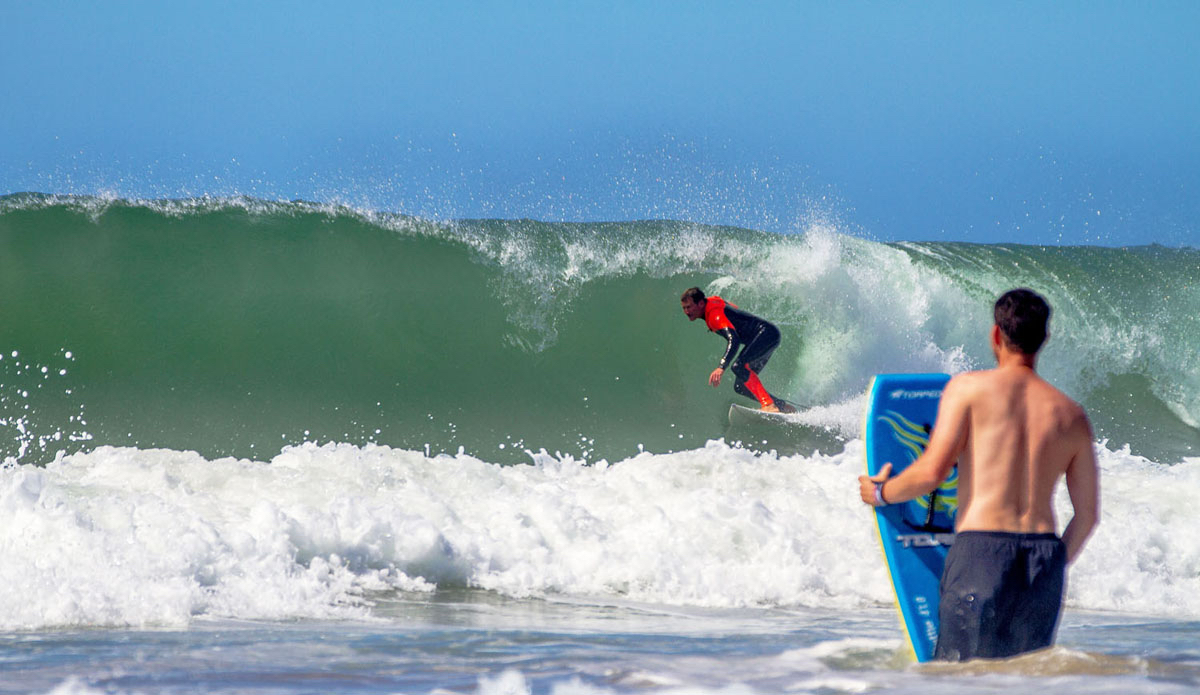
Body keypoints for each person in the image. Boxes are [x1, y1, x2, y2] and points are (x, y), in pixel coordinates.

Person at [858, 288, 1100, 661]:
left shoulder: (969, 390)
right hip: (1044, 557)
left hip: (981, 552)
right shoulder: (1071, 415)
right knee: (1025, 681)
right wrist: (1049, 568)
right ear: (1044, 338)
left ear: (995, 335)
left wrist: (881, 493)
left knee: (959, 677)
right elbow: (1087, 517)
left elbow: (932, 473)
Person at [680, 287, 789, 413]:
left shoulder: (714, 316)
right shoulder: (712, 302)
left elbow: (734, 340)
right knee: (741, 386)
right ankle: (782, 406)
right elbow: (730, 305)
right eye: (684, 308)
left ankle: (768, 404)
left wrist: (721, 367)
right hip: (766, 336)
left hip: (766, 334)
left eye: (689, 307)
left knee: (739, 366)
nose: (686, 311)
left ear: (700, 303)